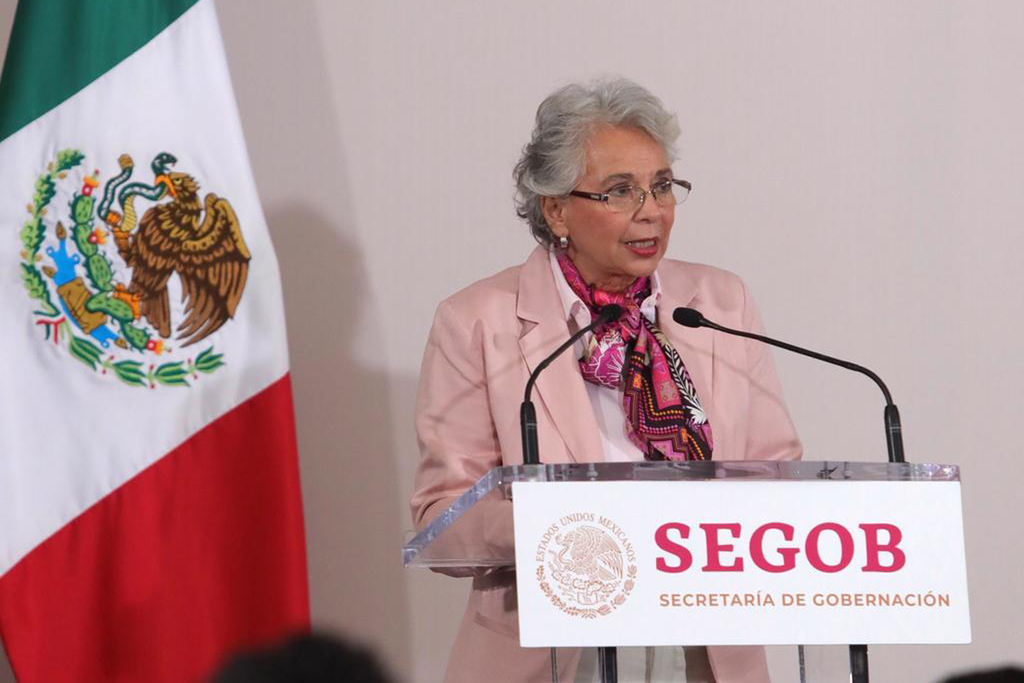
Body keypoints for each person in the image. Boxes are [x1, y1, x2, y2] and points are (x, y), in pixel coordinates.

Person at [410, 77, 802, 683]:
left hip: (703, 641)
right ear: (556, 209)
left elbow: (777, 470)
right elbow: (441, 520)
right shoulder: (478, 322)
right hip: (554, 651)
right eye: (621, 191)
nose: (652, 211)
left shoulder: (720, 303)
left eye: (662, 186)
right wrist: (573, 525)